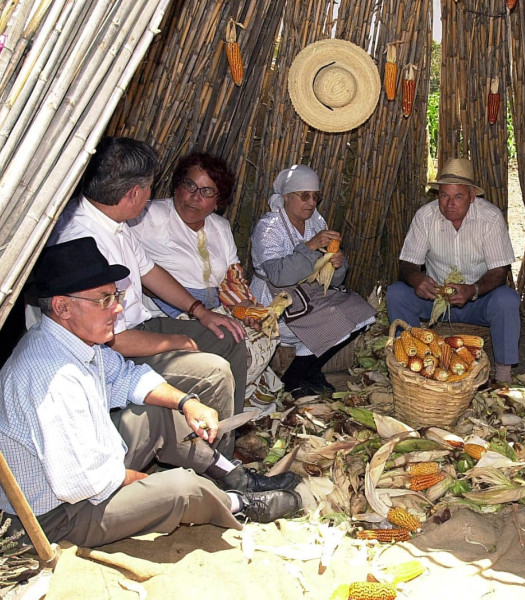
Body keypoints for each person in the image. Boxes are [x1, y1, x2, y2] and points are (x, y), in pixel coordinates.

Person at [0, 238, 302, 548]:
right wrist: (148, 486)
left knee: (160, 411)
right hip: (57, 514)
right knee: (180, 488)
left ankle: (235, 476)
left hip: (85, 476)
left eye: (115, 296)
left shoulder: (73, 342)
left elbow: (129, 377)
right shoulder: (50, 379)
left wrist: (187, 404)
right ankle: (236, 503)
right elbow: (85, 484)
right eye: (104, 299)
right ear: (63, 306)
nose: (117, 309)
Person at [47, 137, 247, 459]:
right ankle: (215, 465)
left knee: (229, 338)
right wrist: (175, 341)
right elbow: (112, 340)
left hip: (141, 325)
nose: (153, 195)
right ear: (133, 194)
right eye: (150, 187)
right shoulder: (82, 241)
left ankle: (226, 442)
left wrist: (200, 312)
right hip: (110, 353)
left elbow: (150, 271)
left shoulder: (115, 222)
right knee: (215, 371)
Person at [129, 152, 281, 396]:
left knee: (267, 334)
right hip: (168, 310)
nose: (195, 197)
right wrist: (194, 309)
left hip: (216, 308)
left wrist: (246, 309)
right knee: (232, 344)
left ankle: (224, 396)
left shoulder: (220, 227)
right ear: (177, 185)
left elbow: (232, 279)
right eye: (190, 185)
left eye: (207, 192)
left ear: (218, 201)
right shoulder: (146, 216)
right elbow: (135, 272)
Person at [386, 157, 520, 382]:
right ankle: (410, 368)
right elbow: (406, 264)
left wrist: (473, 290)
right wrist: (417, 278)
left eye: (458, 196)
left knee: (507, 299)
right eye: (444, 196)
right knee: (396, 293)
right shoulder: (425, 217)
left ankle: (504, 376)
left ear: (472, 195)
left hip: (478, 300)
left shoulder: (490, 218)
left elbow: (500, 271)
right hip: (434, 300)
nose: (449, 204)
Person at [250, 165, 375, 397]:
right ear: (286, 196)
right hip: (275, 299)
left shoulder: (317, 223)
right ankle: (296, 378)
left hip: (309, 295)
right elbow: (277, 275)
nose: (311, 202)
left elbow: (333, 278)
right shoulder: (268, 228)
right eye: (304, 196)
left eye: (316, 196)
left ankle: (308, 369)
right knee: (333, 322)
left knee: (363, 315)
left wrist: (337, 264)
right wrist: (310, 247)